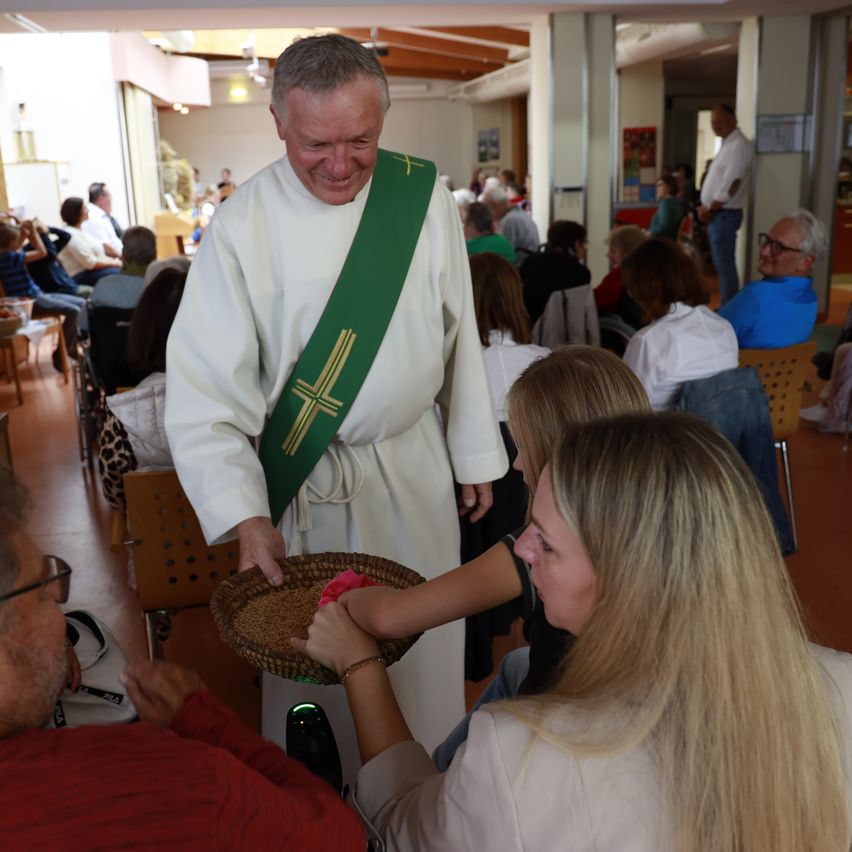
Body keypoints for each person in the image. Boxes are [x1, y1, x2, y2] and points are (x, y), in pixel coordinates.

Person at [165, 34, 506, 766]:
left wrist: (474, 450)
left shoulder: (420, 197)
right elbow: (203, 392)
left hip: (411, 471)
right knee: (312, 686)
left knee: (421, 668)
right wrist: (247, 514)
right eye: (316, 144)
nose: (341, 164)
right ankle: (319, 807)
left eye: (361, 141)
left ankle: (422, 802)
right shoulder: (241, 225)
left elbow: (459, 331)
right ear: (278, 122)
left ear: (383, 120)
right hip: (303, 489)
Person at [296, 410, 852, 851]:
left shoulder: (518, 760)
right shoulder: (842, 685)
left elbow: (402, 829)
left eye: (545, 541)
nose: (524, 549)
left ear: (625, 579)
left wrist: (359, 666)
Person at [0, 468, 365, 849]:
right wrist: (205, 721)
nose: (63, 620)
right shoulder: (150, 782)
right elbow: (336, 836)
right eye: (42, 594)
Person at [340, 346, 650, 766]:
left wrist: (342, 602)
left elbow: (389, 617)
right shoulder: (656, 530)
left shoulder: (538, 546)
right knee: (515, 663)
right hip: (620, 724)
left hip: (562, 742)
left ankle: (440, 785)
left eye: (523, 446)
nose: (517, 463)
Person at [461, 253, 547, 679]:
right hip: (530, 500)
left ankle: (473, 657)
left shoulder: (455, 368)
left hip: (469, 507)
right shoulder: (543, 360)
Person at [98, 267, 186, 512]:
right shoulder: (245, 402)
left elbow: (115, 498)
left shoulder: (120, 420)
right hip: (235, 534)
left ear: (143, 329)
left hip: (157, 532)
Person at [622, 238, 738, 409]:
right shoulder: (724, 327)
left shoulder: (649, 341)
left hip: (664, 426)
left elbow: (624, 407)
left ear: (644, 288)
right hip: (725, 423)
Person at [718, 209, 824, 349]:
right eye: (767, 241)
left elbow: (709, 333)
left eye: (778, 247)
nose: (764, 251)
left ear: (804, 262)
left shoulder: (756, 296)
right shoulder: (811, 299)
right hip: (787, 364)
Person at [0, 217, 86, 368]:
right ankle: (62, 354)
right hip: (30, 301)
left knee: (82, 303)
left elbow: (18, 244)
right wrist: (33, 231)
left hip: (38, 295)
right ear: (11, 242)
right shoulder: (9, 258)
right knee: (74, 311)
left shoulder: (8, 255)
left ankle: (70, 349)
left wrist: (25, 230)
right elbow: (42, 252)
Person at [697, 104, 753, 304]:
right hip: (719, 214)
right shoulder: (728, 144)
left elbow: (731, 183)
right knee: (723, 266)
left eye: (719, 121)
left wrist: (711, 209)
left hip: (723, 214)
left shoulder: (738, 145)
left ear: (733, 120)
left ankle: (729, 310)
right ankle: (728, 307)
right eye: (713, 122)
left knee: (725, 266)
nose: (715, 126)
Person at [519, 220, 591, 326]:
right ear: (576, 244)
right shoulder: (581, 273)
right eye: (583, 244)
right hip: (562, 330)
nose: (584, 249)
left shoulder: (530, 263)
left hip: (526, 325)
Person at [88, 226, 157, 314]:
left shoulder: (102, 286)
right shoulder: (163, 289)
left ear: (123, 255)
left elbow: (84, 320)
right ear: (155, 254)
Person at [57, 197, 122, 288]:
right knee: (119, 273)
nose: (88, 211)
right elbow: (90, 263)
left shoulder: (81, 230)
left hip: (91, 271)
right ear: (76, 213)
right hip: (80, 275)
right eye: (84, 208)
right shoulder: (70, 235)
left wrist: (115, 262)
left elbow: (98, 256)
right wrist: (114, 263)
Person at [594, 224, 646, 326]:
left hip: (622, 328)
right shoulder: (647, 272)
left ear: (628, 253)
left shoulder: (619, 276)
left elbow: (594, 302)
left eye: (613, 251)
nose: (608, 255)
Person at [481, 186, 540, 260]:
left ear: (495, 205)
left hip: (522, 264)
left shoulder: (509, 221)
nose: (486, 214)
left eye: (486, 209)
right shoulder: (517, 213)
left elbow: (504, 253)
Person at [83, 182, 124, 259]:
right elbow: (105, 247)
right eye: (109, 195)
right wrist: (125, 258)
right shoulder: (93, 216)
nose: (111, 199)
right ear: (101, 199)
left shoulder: (102, 215)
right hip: (114, 260)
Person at [648, 174, 683, 240]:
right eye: (657, 186)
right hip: (666, 239)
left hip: (660, 240)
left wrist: (649, 233)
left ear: (669, 187)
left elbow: (663, 226)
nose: (657, 189)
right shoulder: (675, 202)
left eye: (660, 185)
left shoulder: (666, 203)